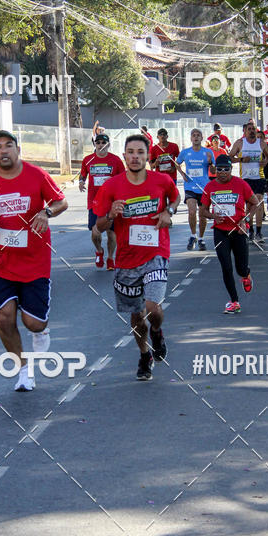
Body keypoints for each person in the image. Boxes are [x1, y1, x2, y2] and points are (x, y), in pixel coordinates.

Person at [0, 130, 68, 392]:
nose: (3, 150)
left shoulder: (36, 175)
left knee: (34, 322)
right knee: (4, 318)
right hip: (1, 261)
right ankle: (23, 370)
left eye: (8, 145)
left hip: (35, 260)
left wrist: (46, 212)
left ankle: (41, 330)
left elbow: (60, 202)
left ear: (18, 150)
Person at [94, 134, 180, 381]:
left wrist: (168, 210)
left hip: (156, 252)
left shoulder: (162, 180)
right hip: (126, 259)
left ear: (147, 156)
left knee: (152, 307)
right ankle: (144, 355)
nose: (135, 157)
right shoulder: (111, 186)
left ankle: (157, 331)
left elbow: (175, 197)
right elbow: (99, 225)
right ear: (124, 156)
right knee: (136, 316)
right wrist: (111, 215)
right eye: (130, 152)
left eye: (140, 152)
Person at [199, 155, 260, 313]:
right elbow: (202, 210)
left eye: (226, 169)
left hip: (238, 231)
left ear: (231, 169)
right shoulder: (210, 187)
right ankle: (234, 301)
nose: (223, 172)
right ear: (215, 170)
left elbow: (255, 203)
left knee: (241, 268)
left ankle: (246, 275)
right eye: (220, 169)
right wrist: (212, 216)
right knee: (226, 267)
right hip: (220, 232)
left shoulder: (241, 184)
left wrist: (245, 221)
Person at [79, 134, 125, 269]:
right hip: (95, 201)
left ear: (108, 144)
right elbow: (83, 173)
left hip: (112, 201)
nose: (100, 145)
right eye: (98, 142)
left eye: (103, 143)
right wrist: (81, 181)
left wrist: (114, 183)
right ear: (95, 144)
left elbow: (123, 178)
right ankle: (99, 250)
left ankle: (110, 258)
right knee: (95, 231)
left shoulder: (115, 160)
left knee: (111, 232)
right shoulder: (88, 159)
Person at [229, 121, 268, 242]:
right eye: (249, 129)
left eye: (253, 129)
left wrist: (265, 162)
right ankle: (250, 230)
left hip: (259, 177)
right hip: (246, 179)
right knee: (249, 206)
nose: (251, 131)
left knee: (259, 202)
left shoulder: (261, 143)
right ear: (245, 131)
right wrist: (241, 159)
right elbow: (230, 157)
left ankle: (259, 232)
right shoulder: (240, 143)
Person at [176, 128, 215, 250]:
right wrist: (182, 174)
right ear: (191, 138)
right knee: (192, 211)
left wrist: (210, 163)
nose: (196, 137)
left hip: (204, 187)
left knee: (202, 215)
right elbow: (177, 163)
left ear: (202, 138)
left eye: (198, 135)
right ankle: (193, 235)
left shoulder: (208, 152)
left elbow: (214, 171)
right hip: (190, 187)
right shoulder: (185, 152)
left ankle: (201, 238)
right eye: (194, 135)